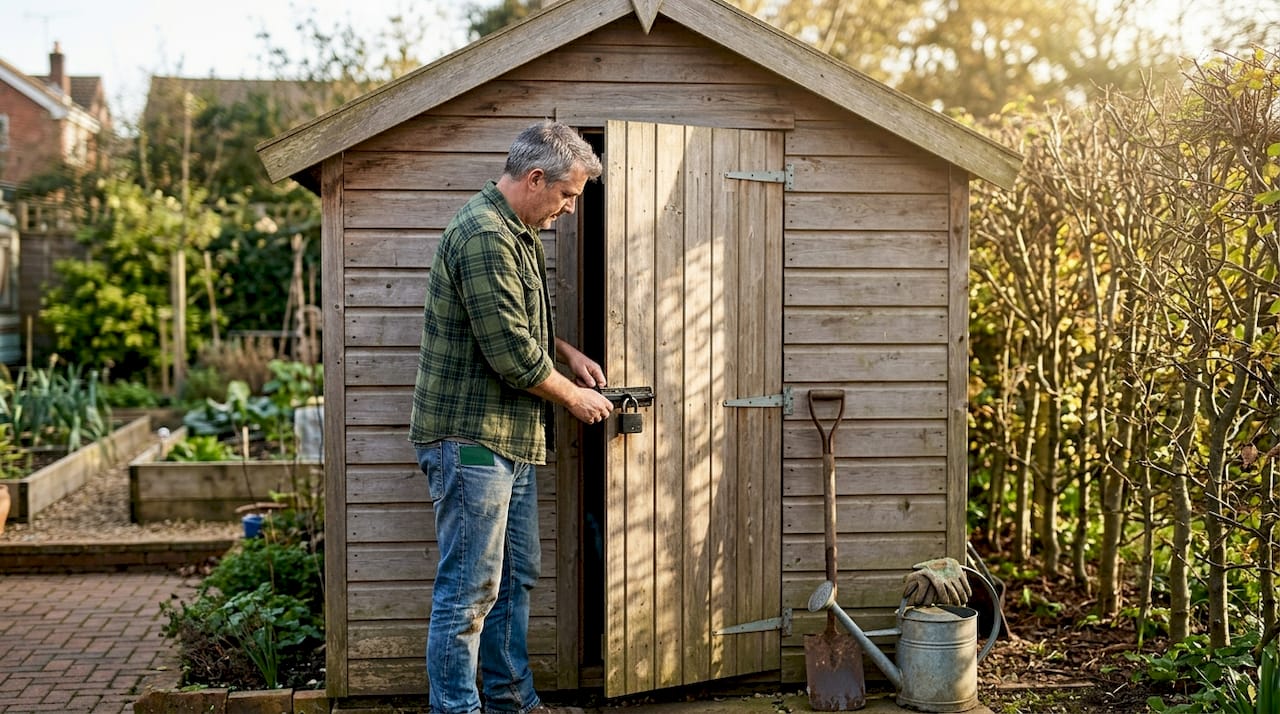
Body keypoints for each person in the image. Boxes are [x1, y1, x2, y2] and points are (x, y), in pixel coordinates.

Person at [409, 120, 615, 714]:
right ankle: (458, 710)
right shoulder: (483, 236)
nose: (571, 209)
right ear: (535, 178)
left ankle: (510, 702)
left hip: (511, 440)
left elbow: (520, 327)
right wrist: (575, 399)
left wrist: (566, 352)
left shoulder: (518, 230)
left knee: (513, 578)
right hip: (471, 442)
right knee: (468, 592)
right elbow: (510, 355)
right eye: (568, 194)